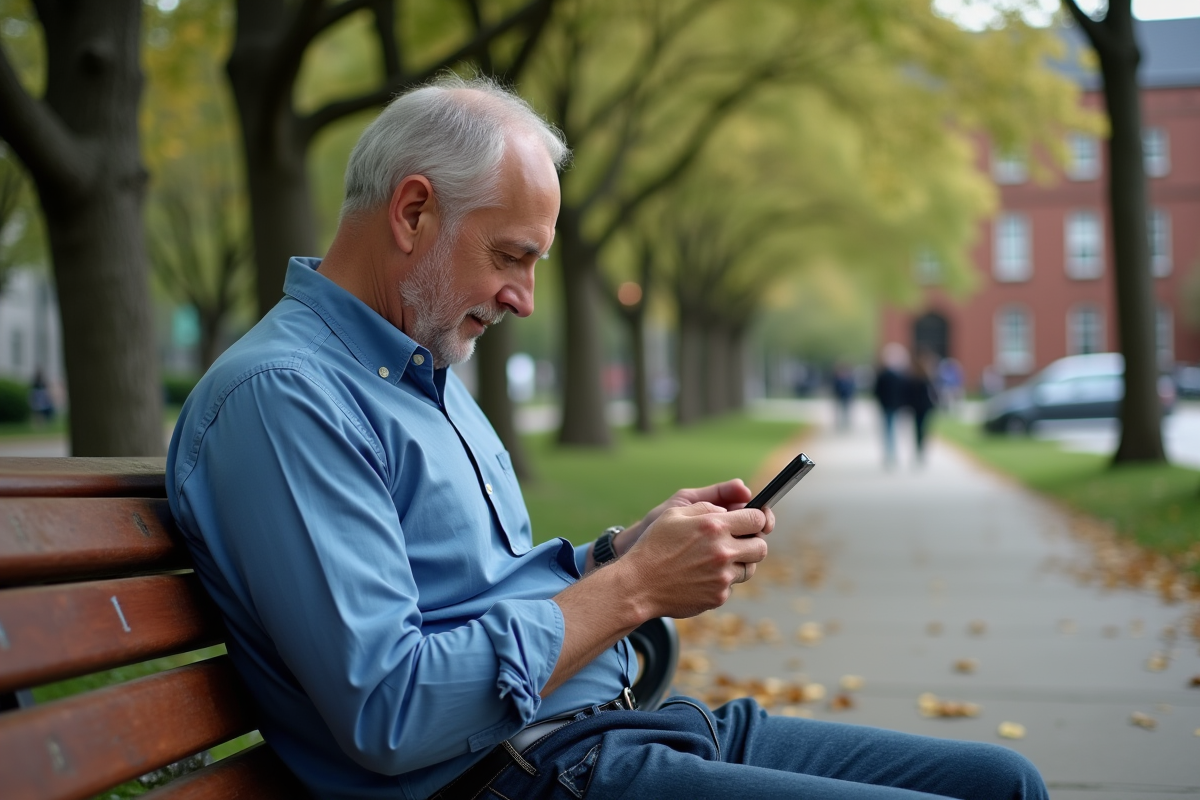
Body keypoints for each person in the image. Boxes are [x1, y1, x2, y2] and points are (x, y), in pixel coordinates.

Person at [165, 77, 1047, 800]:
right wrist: (631, 590)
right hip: (524, 775)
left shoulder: (419, 372)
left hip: (609, 730)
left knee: (1005, 781)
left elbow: (479, 597)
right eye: (512, 255)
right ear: (413, 214)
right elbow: (391, 710)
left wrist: (620, 554)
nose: (525, 298)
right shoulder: (287, 399)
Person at [873, 343, 909, 468]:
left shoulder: (893, 375)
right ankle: (891, 454)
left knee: (890, 430)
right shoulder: (894, 376)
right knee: (890, 430)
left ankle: (890, 454)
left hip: (891, 406)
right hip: (890, 406)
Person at [907, 351, 939, 465]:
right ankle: (921, 450)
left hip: (917, 407)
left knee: (918, 429)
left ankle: (919, 449)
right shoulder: (925, 377)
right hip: (924, 407)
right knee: (923, 429)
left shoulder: (914, 377)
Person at [831, 361, 856, 431]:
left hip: (847, 397)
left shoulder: (849, 378)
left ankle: (846, 423)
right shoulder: (837, 378)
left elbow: (852, 388)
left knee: (846, 410)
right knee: (839, 411)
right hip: (839, 397)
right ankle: (839, 424)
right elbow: (835, 388)